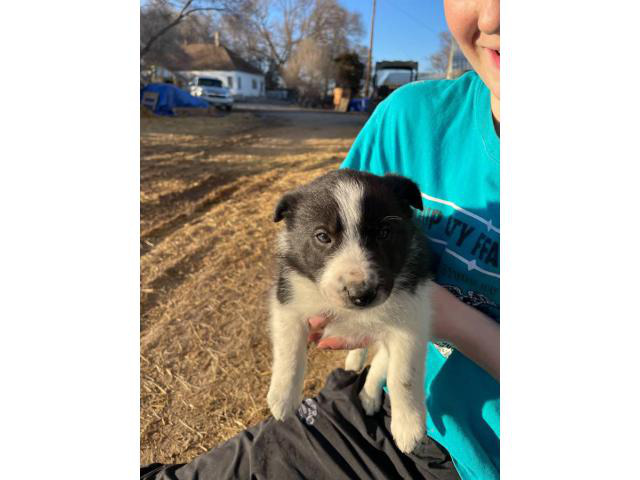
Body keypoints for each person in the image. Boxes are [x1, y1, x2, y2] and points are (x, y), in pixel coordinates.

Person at [141, 0, 500, 478]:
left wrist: (448, 319)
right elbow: (323, 240)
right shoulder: (408, 118)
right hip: (367, 413)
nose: (495, 17)